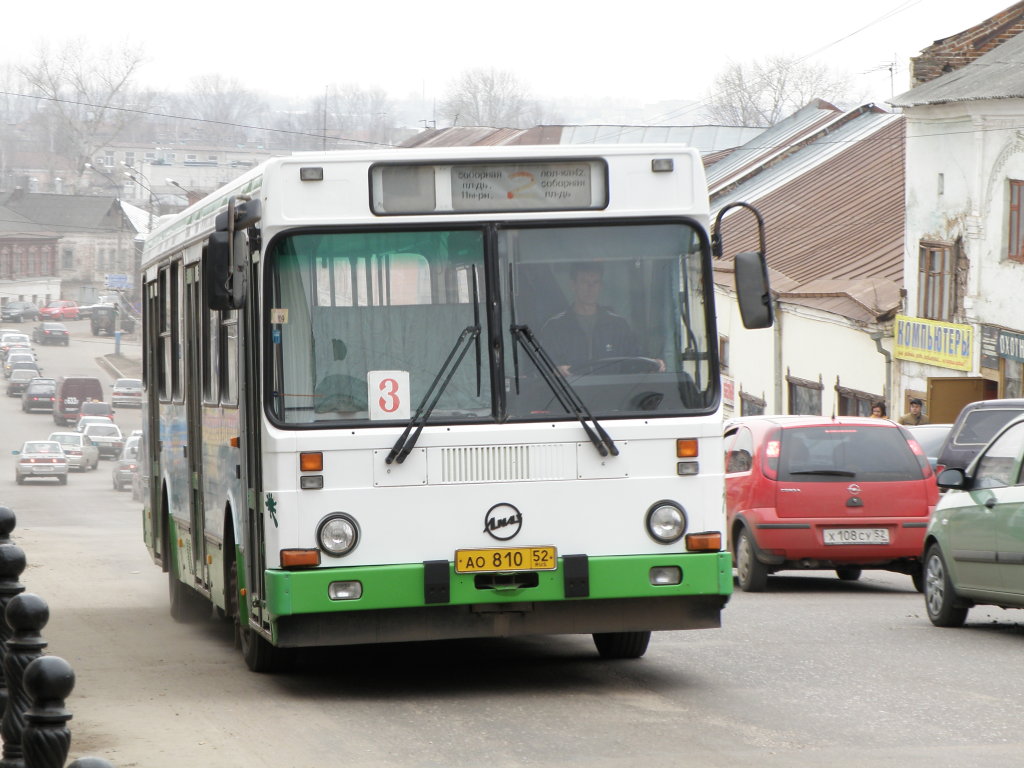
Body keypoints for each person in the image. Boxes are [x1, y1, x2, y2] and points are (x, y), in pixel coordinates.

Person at [540, 263, 662, 376]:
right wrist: (555, 370)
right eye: (584, 282)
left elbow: (634, 362)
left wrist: (652, 365)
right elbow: (539, 369)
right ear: (573, 285)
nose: (590, 288)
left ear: (601, 286)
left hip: (613, 396)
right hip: (568, 396)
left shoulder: (618, 326)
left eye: (595, 282)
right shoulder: (555, 327)